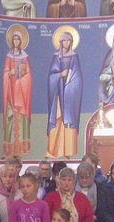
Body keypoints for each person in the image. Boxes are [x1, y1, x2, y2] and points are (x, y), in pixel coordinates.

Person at [46, 31, 83, 159]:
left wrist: (70, 86)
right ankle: (54, 150)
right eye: (63, 40)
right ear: (60, 42)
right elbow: (51, 77)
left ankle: (69, 151)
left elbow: (78, 78)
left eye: (68, 40)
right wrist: (60, 75)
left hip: (69, 95)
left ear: (71, 42)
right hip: (57, 95)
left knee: (69, 120)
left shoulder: (74, 57)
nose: (65, 43)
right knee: (57, 119)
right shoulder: (56, 57)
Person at [3, 29, 32, 157]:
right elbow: (5, 73)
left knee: (22, 119)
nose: (16, 41)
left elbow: (29, 75)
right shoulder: (9, 57)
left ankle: (22, 148)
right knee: (10, 117)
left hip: (21, 92)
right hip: (11, 92)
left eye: (18, 39)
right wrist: (10, 73)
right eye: (14, 39)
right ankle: (9, 148)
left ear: (21, 41)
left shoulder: (24, 57)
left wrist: (21, 78)